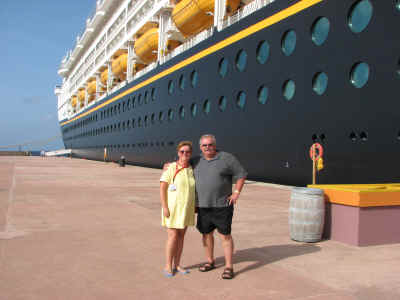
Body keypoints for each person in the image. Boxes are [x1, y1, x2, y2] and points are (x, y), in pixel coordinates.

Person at [193, 134, 247, 280]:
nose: (207, 147)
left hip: (222, 205)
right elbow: (180, 164)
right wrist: (168, 166)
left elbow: (241, 174)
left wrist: (236, 193)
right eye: (204, 145)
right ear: (200, 147)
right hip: (203, 206)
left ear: (215, 145)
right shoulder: (196, 160)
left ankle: (229, 266)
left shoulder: (226, 158)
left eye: (210, 144)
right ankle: (210, 261)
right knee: (206, 234)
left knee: (225, 235)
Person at [160, 141, 196, 277]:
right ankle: (168, 265)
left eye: (187, 152)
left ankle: (178, 264)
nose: (185, 154)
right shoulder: (171, 167)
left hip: (186, 209)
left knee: (181, 237)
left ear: (191, 154)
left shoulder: (192, 169)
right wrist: (165, 207)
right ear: (178, 153)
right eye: (182, 152)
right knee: (173, 236)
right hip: (172, 208)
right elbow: (162, 187)